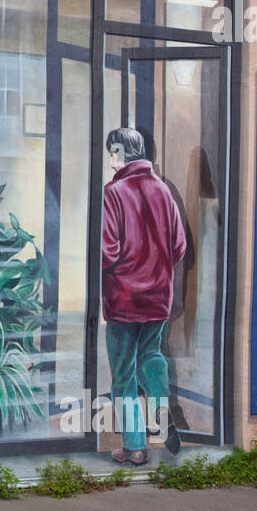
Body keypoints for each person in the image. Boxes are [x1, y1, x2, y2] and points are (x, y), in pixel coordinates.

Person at [102, 127, 187, 466]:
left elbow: (107, 250)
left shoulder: (114, 192)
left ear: (121, 153)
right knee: (152, 355)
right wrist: (157, 270)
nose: (111, 157)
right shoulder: (163, 191)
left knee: (123, 376)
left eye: (113, 150)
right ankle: (163, 416)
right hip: (158, 297)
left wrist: (124, 272)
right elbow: (179, 246)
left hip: (124, 299)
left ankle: (136, 446)